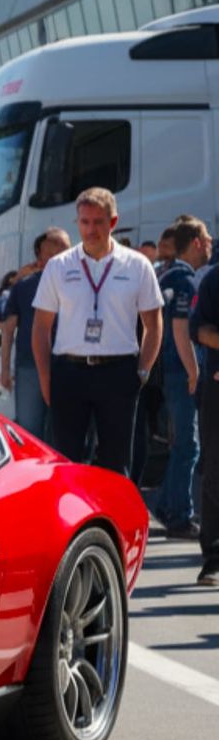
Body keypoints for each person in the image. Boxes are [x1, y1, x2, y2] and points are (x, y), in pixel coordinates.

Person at [31, 187, 163, 476]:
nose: (91, 230)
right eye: (85, 222)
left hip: (118, 372)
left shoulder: (137, 265)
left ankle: (116, 521)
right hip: (69, 373)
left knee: (116, 464)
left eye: (98, 222)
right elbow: (41, 327)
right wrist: (45, 377)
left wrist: (143, 370)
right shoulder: (58, 266)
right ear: (77, 222)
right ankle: (71, 521)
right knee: (65, 462)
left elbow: (154, 324)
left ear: (112, 222)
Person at [153, 218, 211, 539]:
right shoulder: (186, 280)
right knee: (189, 446)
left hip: (165, 370)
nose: (212, 245)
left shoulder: (165, 274)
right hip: (179, 370)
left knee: (182, 444)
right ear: (198, 243)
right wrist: (194, 372)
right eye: (208, 240)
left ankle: (167, 504)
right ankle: (178, 515)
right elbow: (180, 328)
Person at [0, 228, 70, 439]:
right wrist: (5, 370)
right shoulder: (23, 287)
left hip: (68, 366)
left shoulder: (78, 283)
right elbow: (8, 329)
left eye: (65, 246)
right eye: (55, 246)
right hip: (29, 366)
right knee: (30, 431)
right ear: (40, 254)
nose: (61, 251)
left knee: (63, 431)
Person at [190, 251, 219, 584]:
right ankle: (213, 557)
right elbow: (200, 330)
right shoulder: (214, 280)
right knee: (215, 471)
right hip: (216, 387)